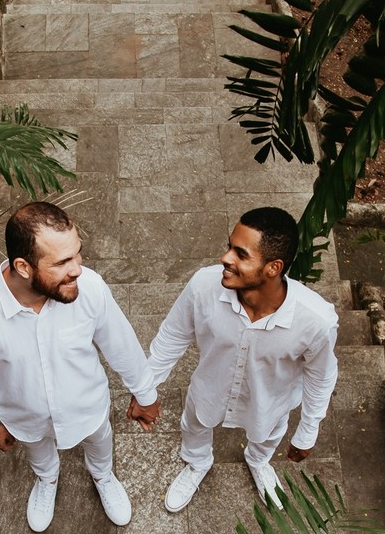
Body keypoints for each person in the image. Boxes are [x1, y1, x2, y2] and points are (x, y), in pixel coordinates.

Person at [0, 202, 161, 532]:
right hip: (23, 414)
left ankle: (103, 475)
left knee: (100, 439)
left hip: (88, 404)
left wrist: (145, 393)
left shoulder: (89, 288)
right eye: (62, 262)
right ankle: (47, 480)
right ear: (23, 267)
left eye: (77, 254)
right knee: (38, 449)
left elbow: (121, 344)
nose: (77, 269)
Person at [142, 207, 338, 512]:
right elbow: (172, 337)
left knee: (269, 431)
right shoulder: (202, 285)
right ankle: (197, 463)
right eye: (228, 246)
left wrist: (308, 430)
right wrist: (145, 391)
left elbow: (320, 376)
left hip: (270, 400)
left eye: (240, 254)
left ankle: (259, 462)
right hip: (210, 388)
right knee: (195, 423)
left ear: (273, 267)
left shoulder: (316, 321)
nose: (225, 258)